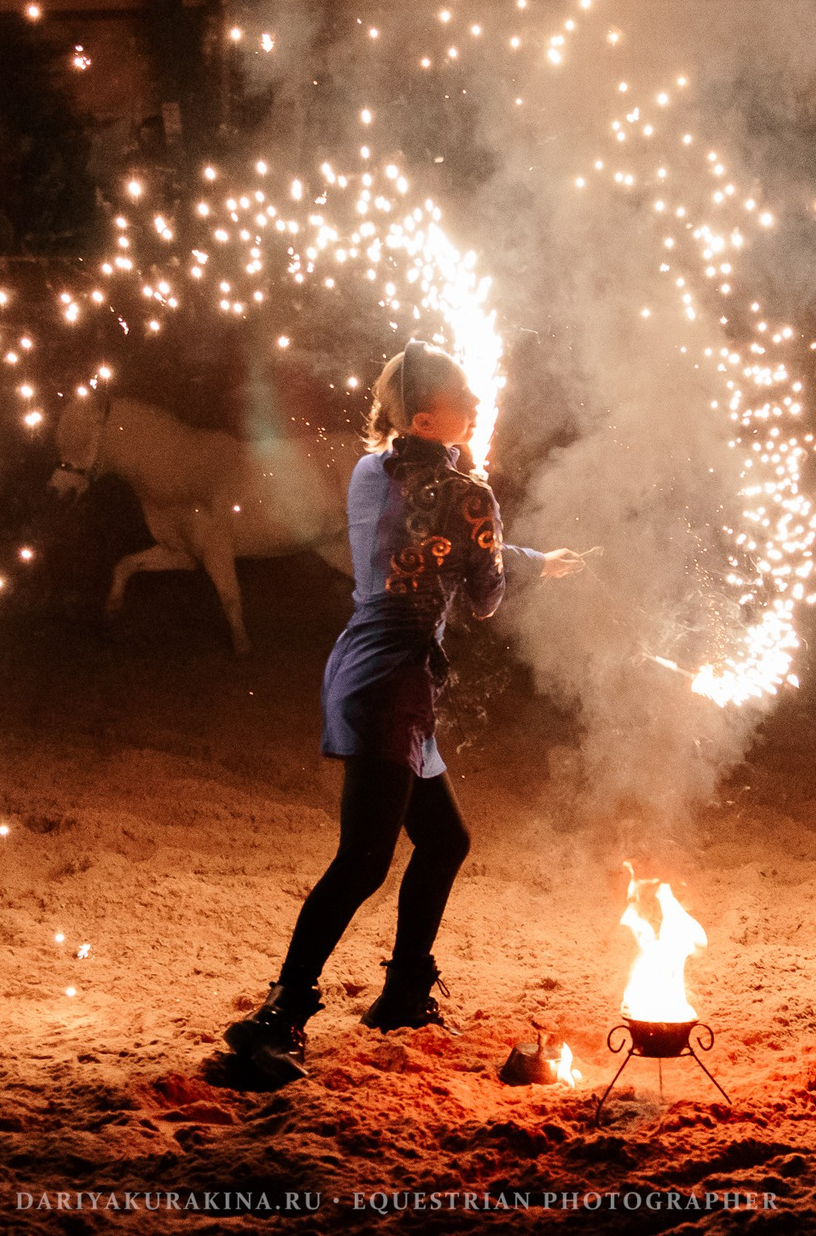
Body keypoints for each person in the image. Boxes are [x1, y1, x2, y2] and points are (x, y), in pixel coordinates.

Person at [221, 343, 585, 1084]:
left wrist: (527, 551)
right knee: (363, 859)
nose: (480, 407)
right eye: (465, 402)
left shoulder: (370, 470)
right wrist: (487, 510)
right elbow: (482, 599)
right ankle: (280, 1015)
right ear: (426, 417)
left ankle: (404, 993)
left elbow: (430, 538)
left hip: (365, 667)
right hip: (394, 684)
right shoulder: (468, 496)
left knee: (445, 838)